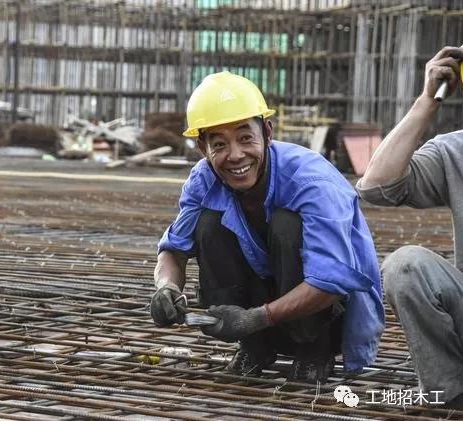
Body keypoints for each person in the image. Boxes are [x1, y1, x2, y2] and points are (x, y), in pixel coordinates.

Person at [150, 71, 384, 383]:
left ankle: (314, 351)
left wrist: (255, 318)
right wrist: (167, 287)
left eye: (246, 138)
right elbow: (174, 250)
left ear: (268, 133)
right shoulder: (203, 179)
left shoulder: (312, 181)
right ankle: (254, 347)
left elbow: (330, 282)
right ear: (202, 147)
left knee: (287, 225)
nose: (235, 155)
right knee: (209, 223)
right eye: (219, 144)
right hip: (262, 312)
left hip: (328, 314)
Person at [357, 46, 463, 409]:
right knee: (405, 266)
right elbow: (377, 186)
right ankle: (450, 394)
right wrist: (426, 101)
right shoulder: (455, 151)